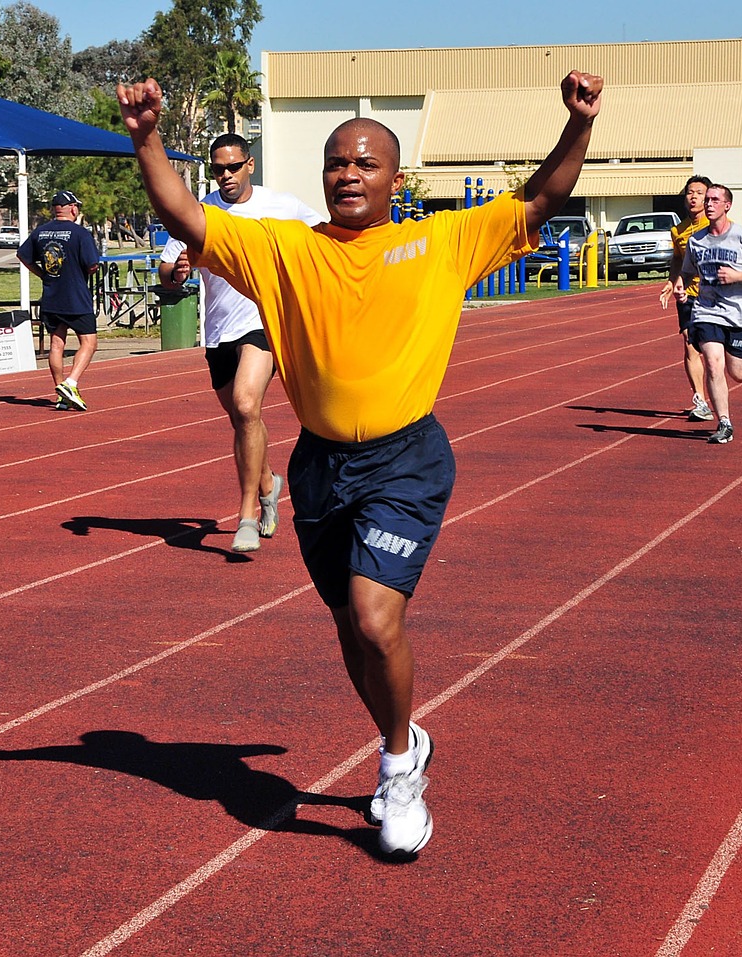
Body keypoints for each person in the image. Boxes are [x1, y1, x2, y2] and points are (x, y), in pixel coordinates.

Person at [118, 68, 603, 857]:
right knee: (350, 627)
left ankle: (398, 770)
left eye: (366, 162)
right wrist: (147, 139)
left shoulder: (441, 241)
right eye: (336, 162)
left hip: (405, 459)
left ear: (395, 178)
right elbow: (182, 211)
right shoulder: (282, 248)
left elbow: (541, 199)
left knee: (378, 619)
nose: (349, 173)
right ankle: (403, 734)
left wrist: (579, 125)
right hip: (318, 467)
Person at [159, 134, 324, 553]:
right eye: (218, 169)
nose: (226, 175)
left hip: (263, 323)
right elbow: (166, 270)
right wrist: (177, 272)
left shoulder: (281, 206)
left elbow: (324, 239)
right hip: (218, 332)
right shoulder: (200, 211)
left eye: (233, 167)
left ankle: (247, 514)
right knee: (241, 421)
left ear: (250, 165)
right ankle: (268, 483)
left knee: (249, 406)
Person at [675, 184, 742, 444]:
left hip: (741, 314)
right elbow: (687, 272)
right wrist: (680, 286)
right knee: (713, 363)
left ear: (727, 205)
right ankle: (724, 422)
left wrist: (739, 276)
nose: (708, 204)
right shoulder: (696, 241)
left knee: (737, 372)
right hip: (707, 311)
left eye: (714, 200)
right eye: (707, 199)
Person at [18, 191, 101, 411]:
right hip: (76, 297)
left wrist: (43, 274)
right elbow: (92, 265)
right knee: (89, 342)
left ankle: (61, 394)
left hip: (52, 296)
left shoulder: (40, 232)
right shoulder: (81, 234)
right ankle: (70, 383)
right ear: (73, 208)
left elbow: (23, 256)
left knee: (57, 343)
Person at [659, 174, 713, 421]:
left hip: (715, 295)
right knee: (690, 344)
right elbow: (678, 259)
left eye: (699, 193)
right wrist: (671, 282)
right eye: (690, 192)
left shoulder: (717, 226)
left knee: (718, 351)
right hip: (688, 296)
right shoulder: (678, 230)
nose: (693, 197)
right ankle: (701, 400)